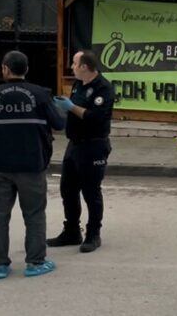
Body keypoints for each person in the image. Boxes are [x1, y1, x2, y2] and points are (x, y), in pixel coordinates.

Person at [0, 50, 65, 279]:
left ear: (5, 69)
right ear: (26, 69)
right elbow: (58, 123)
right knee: (34, 214)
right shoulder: (41, 94)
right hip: (32, 164)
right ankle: (35, 263)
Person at [48, 50, 114, 253]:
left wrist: (71, 107)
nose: (72, 67)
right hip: (75, 144)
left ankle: (93, 233)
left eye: (75, 64)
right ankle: (71, 231)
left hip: (93, 145)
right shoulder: (78, 84)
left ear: (84, 66)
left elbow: (96, 117)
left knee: (91, 191)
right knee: (67, 189)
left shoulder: (103, 88)